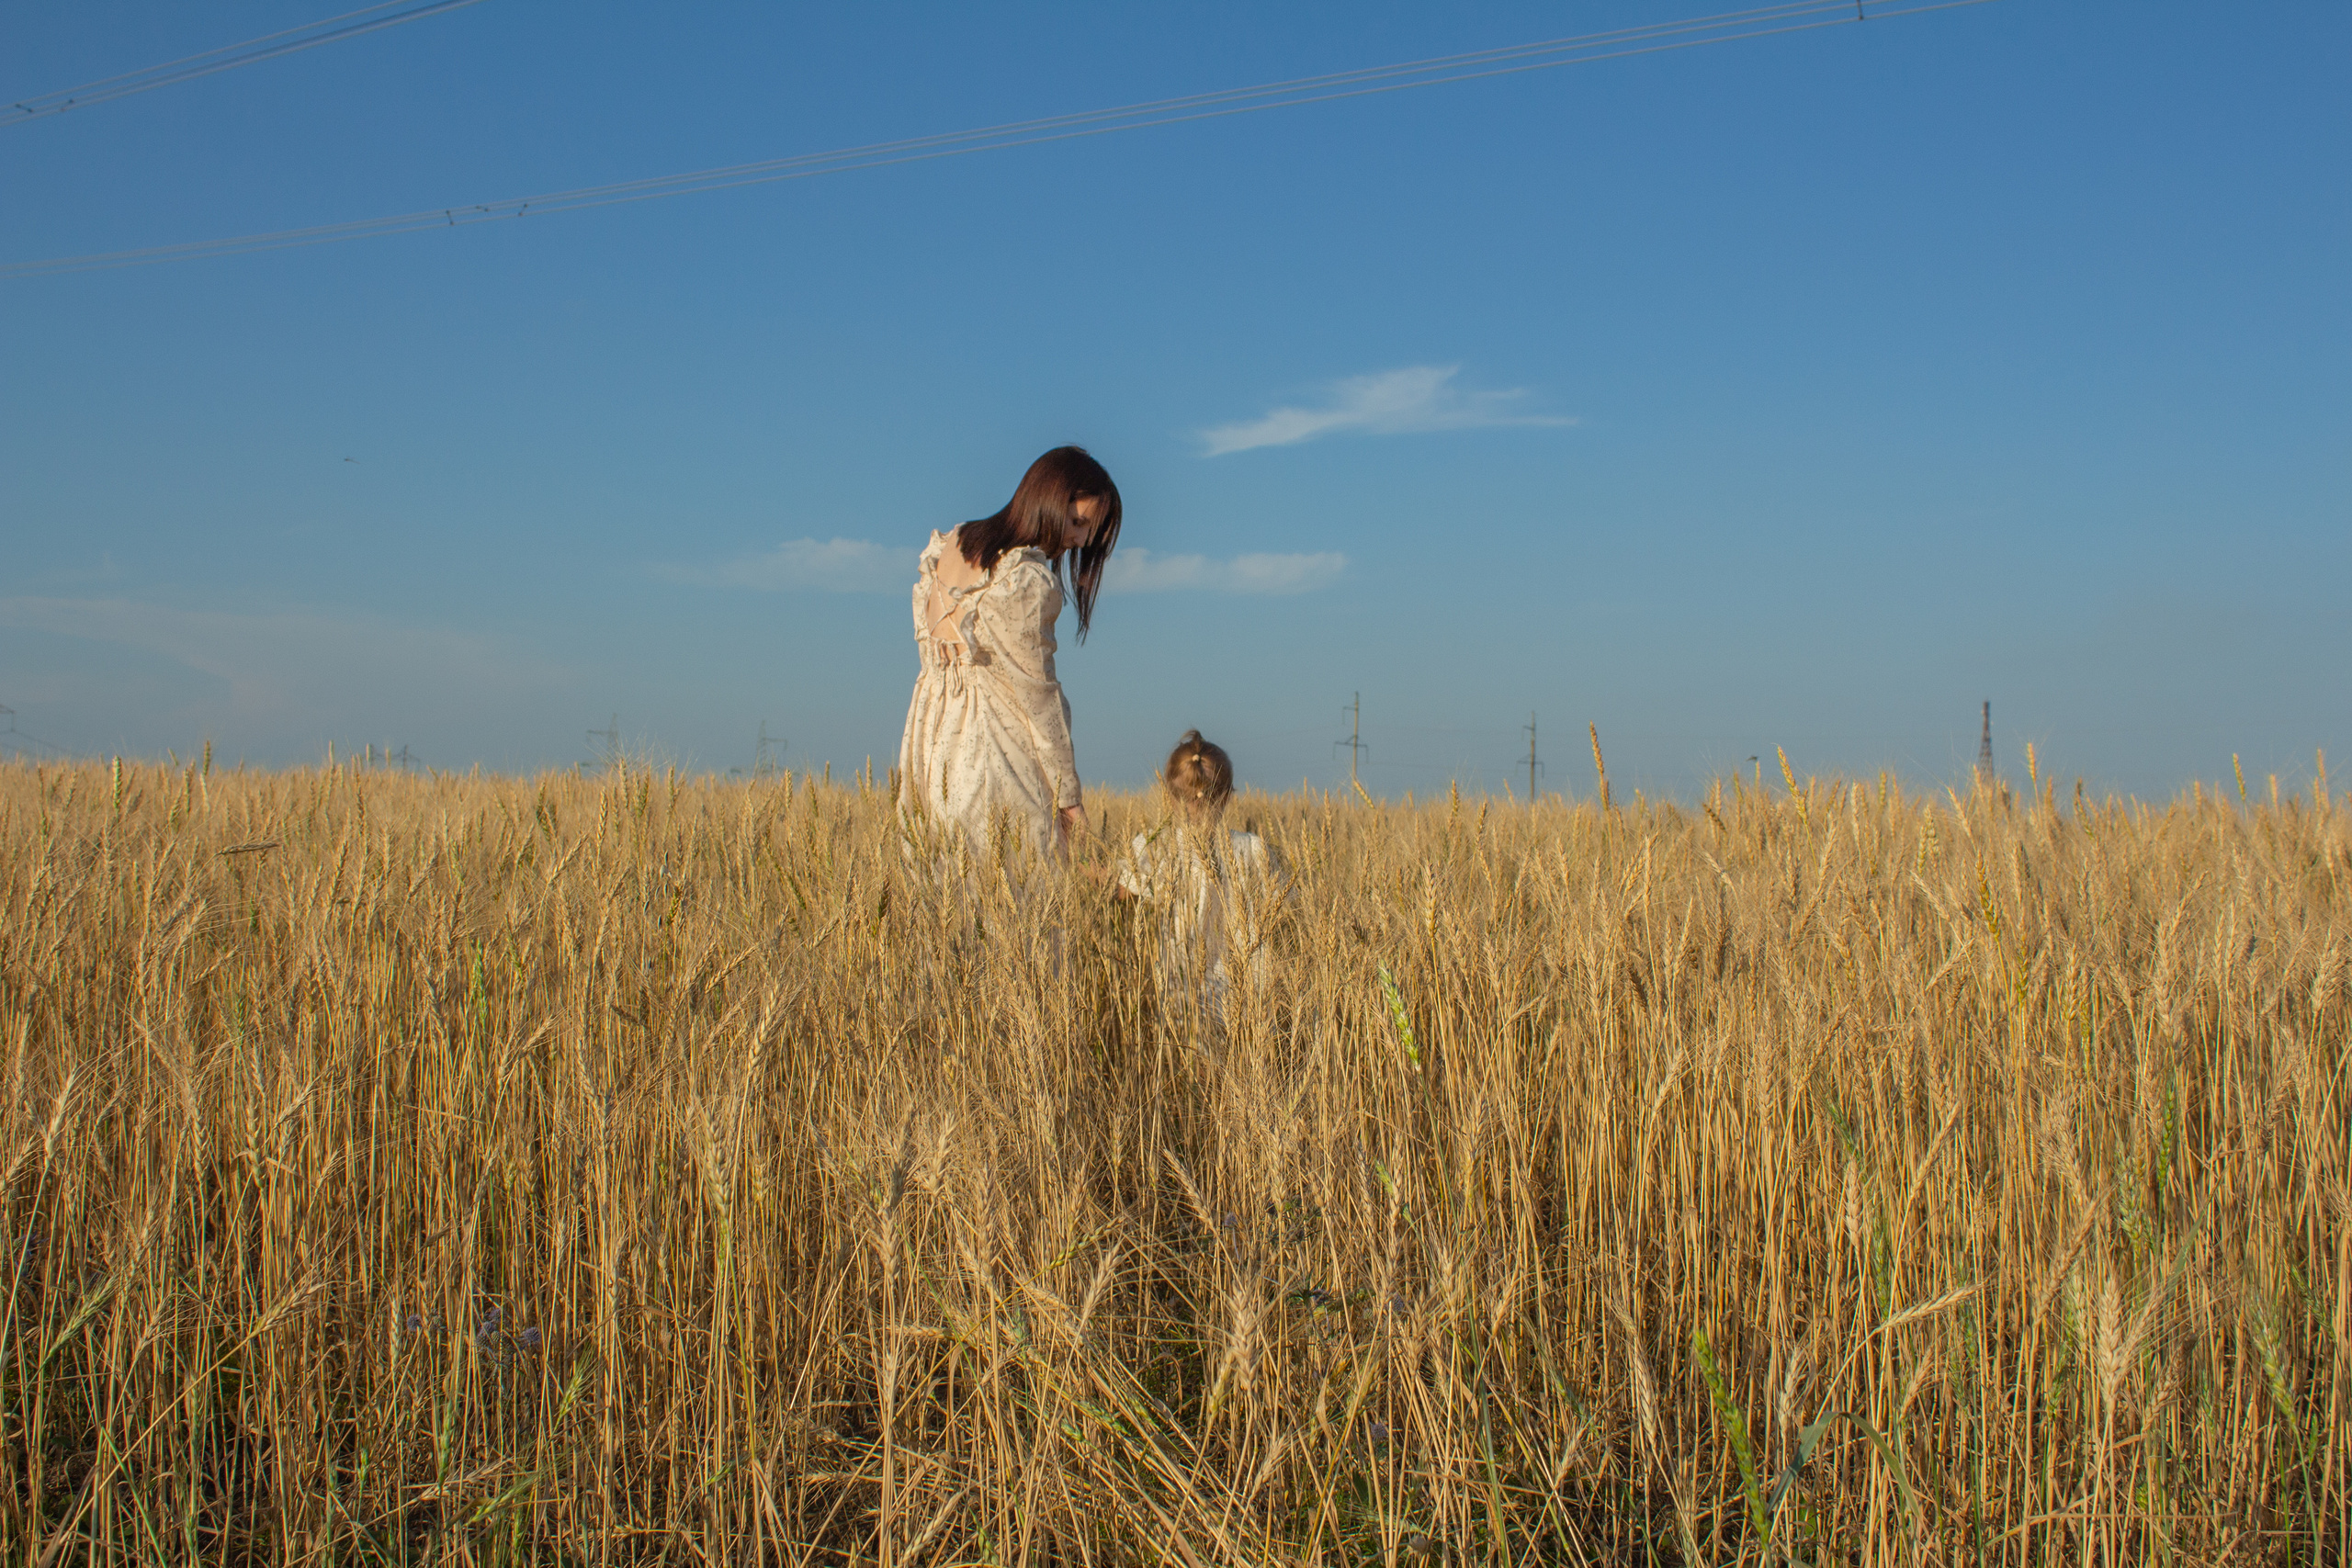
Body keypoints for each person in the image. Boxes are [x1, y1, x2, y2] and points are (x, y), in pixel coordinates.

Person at [899, 446, 1123, 860]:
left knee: (943, 895)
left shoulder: (953, 545)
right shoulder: (1025, 580)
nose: (1079, 540)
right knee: (1015, 904)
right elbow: (1039, 699)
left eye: (1090, 534)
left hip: (931, 750)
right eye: (1077, 523)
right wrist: (1069, 800)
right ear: (1049, 497)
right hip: (994, 755)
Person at [1116, 730, 1288, 1014]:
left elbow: (1125, 896)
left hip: (1176, 985)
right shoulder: (1254, 849)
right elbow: (1283, 908)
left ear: (1168, 795)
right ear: (1227, 797)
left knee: (1182, 1054)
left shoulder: (1150, 846)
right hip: (1245, 991)